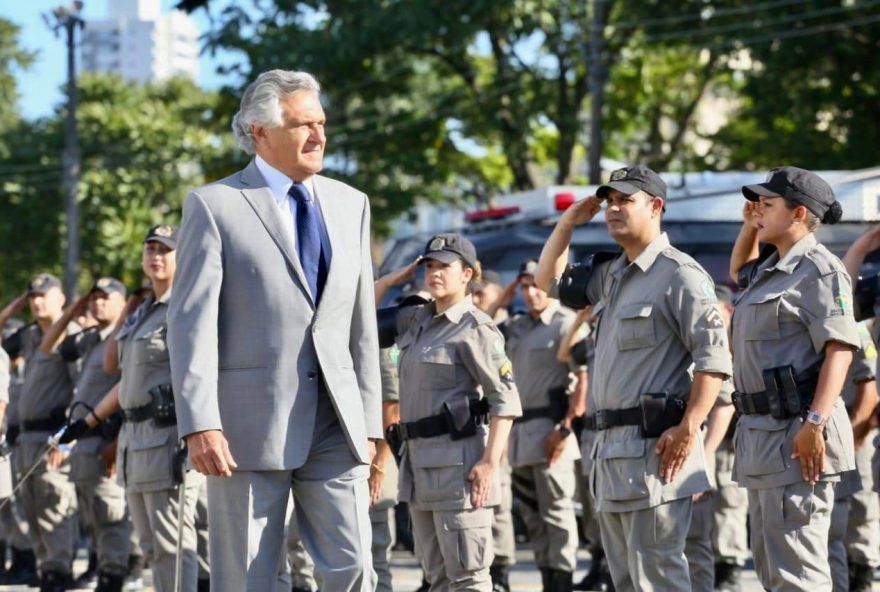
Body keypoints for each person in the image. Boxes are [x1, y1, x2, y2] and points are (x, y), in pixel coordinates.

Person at [167, 69, 382, 592]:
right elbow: (190, 324)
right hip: (245, 429)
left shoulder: (351, 203)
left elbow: (361, 323)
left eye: (322, 123)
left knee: (354, 566)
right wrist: (200, 424)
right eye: (302, 124)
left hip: (337, 421)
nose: (318, 136)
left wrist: (372, 422)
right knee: (248, 576)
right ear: (258, 132)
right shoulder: (214, 205)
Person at [534, 165, 732, 591]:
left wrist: (689, 427)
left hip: (655, 452)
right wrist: (568, 221)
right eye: (608, 201)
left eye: (625, 199)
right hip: (610, 453)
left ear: (655, 206)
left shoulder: (680, 274)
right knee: (624, 582)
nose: (612, 208)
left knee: (660, 579)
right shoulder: (611, 275)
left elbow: (713, 360)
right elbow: (545, 281)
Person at [728, 166, 859, 590]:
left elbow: (840, 349)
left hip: (797, 434)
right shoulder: (771, 268)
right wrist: (750, 225)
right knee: (773, 570)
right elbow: (737, 271)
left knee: (798, 574)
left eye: (768, 205)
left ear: (799, 213)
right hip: (765, 438)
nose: (757, 211)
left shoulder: (821, 270)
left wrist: (815, 423)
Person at [392, 233, 522, 590]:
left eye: (443, 267)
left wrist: (490, 463)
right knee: (437, 580)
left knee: (469, 579)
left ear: (467, 274)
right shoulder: (417, 321)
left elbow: (505, 400)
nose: (434, 273)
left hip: (459, 470)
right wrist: (395, 279)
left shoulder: (476, 328)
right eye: (429, 266)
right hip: (419, 468)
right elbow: (360, 312)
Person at [45, 277, 132, 591]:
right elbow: (49, 347)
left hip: (105, 441)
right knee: (95, 521)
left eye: (105, 298)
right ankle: (105, 573)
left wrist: (117, 441)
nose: (97, 303)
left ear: (123, 303)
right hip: (84, 444)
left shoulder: (123, 338)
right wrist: (72, 310)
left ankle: (115, 578)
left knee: (111, 519)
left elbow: (130, 391)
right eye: (92, 298)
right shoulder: (91, 340)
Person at [503, 258, 584, 591]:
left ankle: (563, 579)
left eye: (537, 285)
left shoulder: (567, 324)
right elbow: (482, 315)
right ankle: (547, 577)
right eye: (525, 286)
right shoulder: (516, 326)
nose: (531, 293)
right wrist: (509, 288)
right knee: (532, 515)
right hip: (520, 435)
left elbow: (584, 379)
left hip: (552, 431)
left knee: (557, 512)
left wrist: (566, 427)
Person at [11, 273, 81, 591]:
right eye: (32, 296)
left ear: (61, 298)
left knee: (55, 510)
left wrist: (67, 438)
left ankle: (59, 576)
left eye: (44, 294)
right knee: (33, 513)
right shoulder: (28, 336)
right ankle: (47, 574)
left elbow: (81, 390)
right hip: (25, 439)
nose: (37, 301)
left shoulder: (71, 337)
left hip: (53, 438)